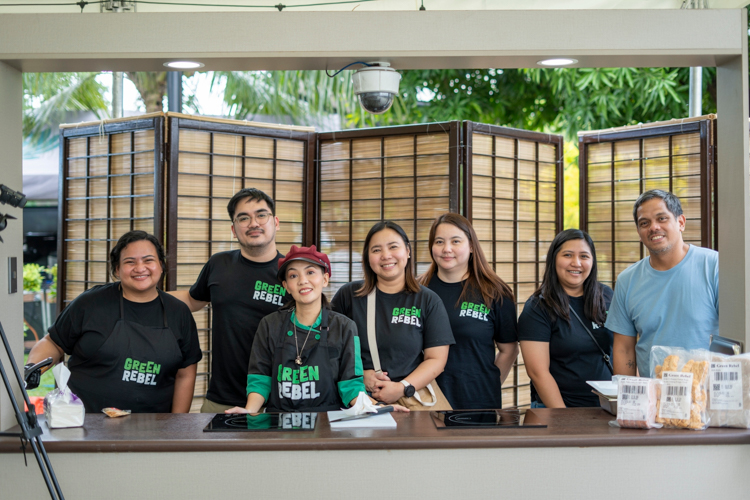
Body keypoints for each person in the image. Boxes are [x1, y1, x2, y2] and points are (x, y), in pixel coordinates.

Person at [26, 231, 202, 413]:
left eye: (148, 260)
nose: (140, 268)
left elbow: (186, 373)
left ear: (161, 265)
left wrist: (176, 426)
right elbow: (53, 342)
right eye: (130, 262)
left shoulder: (178, 313)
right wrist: (33, 369)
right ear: (117, 269)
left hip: (153, 427)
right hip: (85, 424)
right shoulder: (91, 303)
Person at [225, 245, 408, 414]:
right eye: (293, 276)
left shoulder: (344, 327)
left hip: (328, 423)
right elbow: (260, 379)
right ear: (286, 286)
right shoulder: (269, 325)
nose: (303, 281)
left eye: (311, 272)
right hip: (278, 422)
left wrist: (379, 408)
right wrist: (249, 411)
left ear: (325, 279)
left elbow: (351, 386)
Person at [169, 188, 285, 413]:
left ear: (276, 222)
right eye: (244, 218)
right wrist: (140, 296)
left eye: (261, 215)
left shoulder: (293, 272)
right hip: (221, 400)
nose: (253, 223)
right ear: (234, 229)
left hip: (279, 402)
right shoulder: (219, 265)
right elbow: (192, 300)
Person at [332, 221, 455, 405]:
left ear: (407, 251)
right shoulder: (348, 296)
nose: (386, 256)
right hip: (359, 401)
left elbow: (436, 359)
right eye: (376, 250)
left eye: (393, 247)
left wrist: (402, 387)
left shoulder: (427, 300)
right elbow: (329, 349)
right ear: (367, 257)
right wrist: (360, 376)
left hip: (411, 400)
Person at [607, 190, 719, 376]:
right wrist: (625, 399)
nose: (653, 227)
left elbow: (736, 336)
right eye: (645, 223)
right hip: (654, 396)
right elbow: (624, 349)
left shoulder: (714, 265)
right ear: (638, 231)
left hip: (706, 395)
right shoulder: (627, 280)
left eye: (662, 218)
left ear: (681, 222)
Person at [419, 213, 518, 409]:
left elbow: (509, 349)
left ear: (472, 246)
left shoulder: (495, 292)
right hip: (426, 399)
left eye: (456, 241)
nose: (447, 249)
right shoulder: (416, 291)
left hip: (479, 402)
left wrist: (488, 385)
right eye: (439, 242)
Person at [518, 229, 613, 408]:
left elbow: (624, 349)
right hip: (560, 409)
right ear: (554, 259)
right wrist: (564, 418)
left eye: (584, 256)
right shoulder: (539, 307)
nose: (576, 263)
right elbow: (537, 372)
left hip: (609, 407)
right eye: (568, 255)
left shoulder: (607, 296)